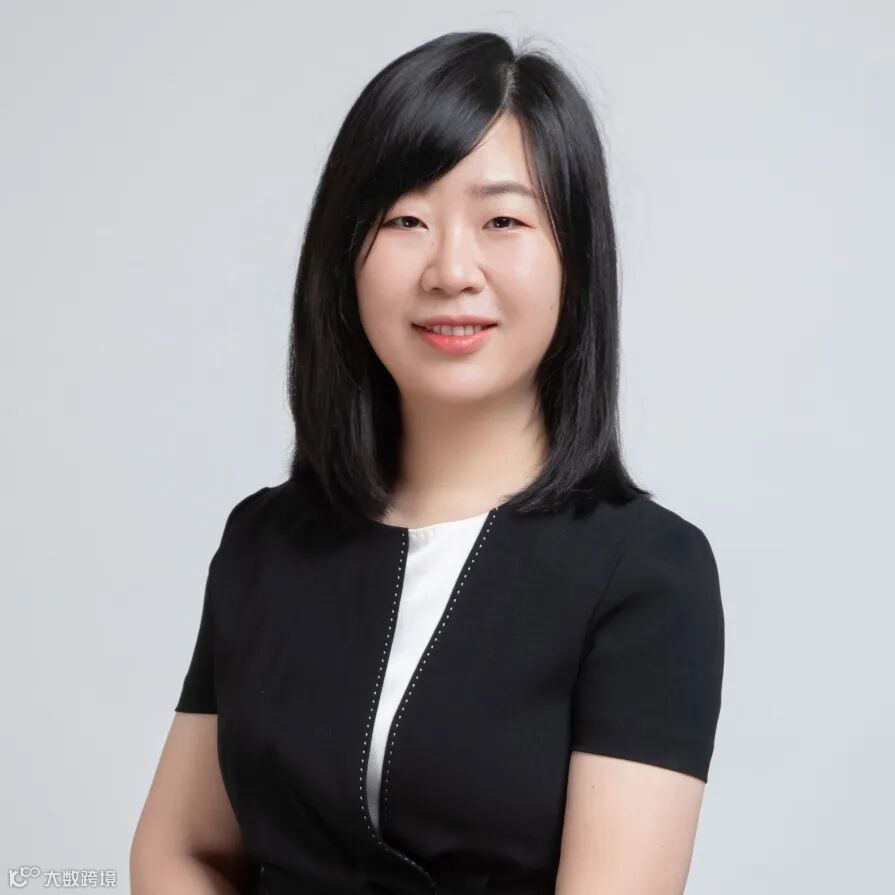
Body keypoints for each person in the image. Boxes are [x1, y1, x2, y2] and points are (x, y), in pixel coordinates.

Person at [130, 30, 725, 895]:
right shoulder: (264, 541)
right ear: (343, 253)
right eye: (404, 219)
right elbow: (179, 849)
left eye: (502, 221)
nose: (450, 269)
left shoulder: (647, 574)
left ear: (575, 256)